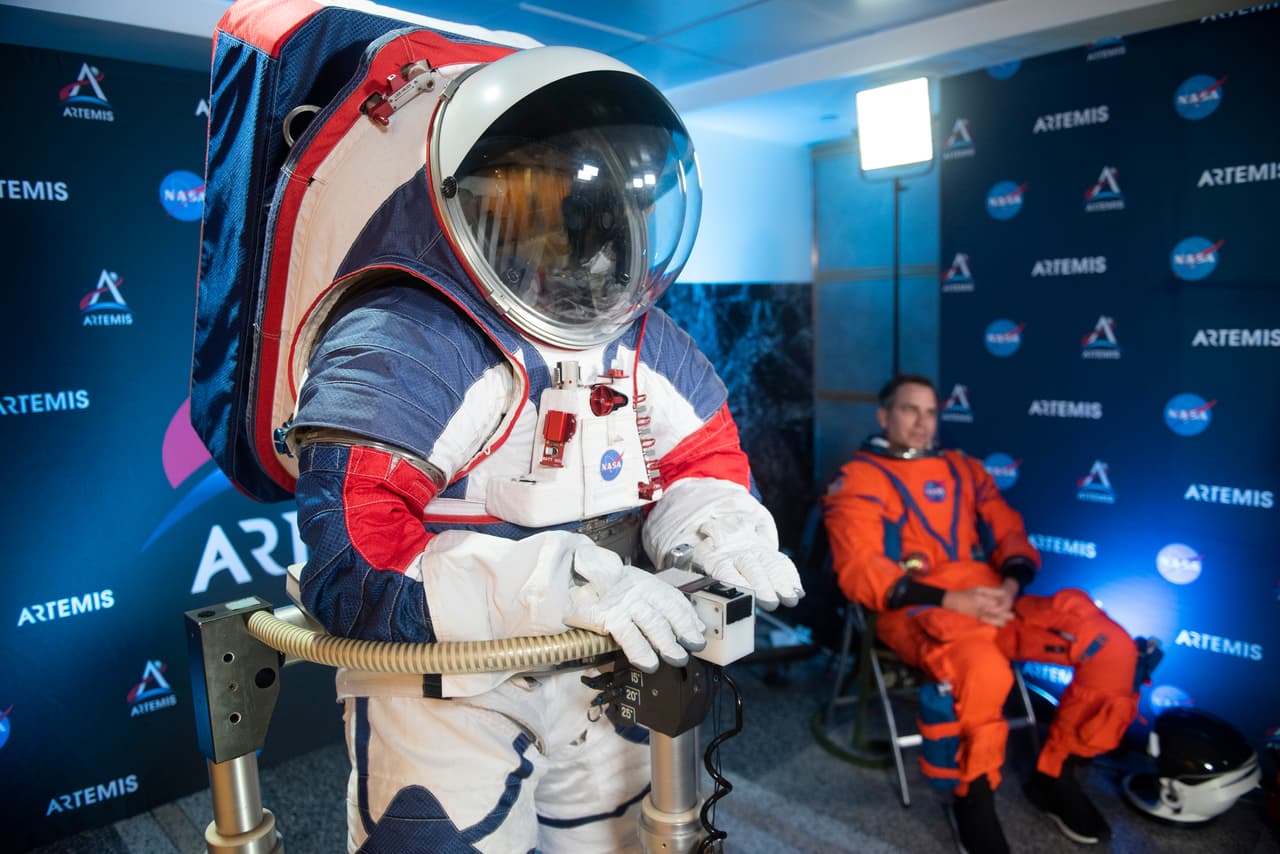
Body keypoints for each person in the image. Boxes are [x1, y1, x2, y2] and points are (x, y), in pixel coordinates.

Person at [284, 43, 804, 853]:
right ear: (473, 196)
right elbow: (352, 558)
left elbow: (701, 463)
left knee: (623, 841)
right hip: (447, 678)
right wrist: (558, 589)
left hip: (604, 659)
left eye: (585, 204)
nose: (576, 238)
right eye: (537, 197)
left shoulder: (644, 342)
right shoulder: (406, 338)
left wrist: (719, 531)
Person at [823, 374, 1139, 853]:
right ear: (884, 416)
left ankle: (1055, 774)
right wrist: (952, 601)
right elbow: (860, 571)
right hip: (915, 612)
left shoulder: (964, 469)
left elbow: (1010, 531)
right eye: (909, 410)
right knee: (984, 671)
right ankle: (973, 797)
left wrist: (1010, 585)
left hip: (994, 602)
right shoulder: (859, 478)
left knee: (1109, 646)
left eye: (930, 412)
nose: (921, 422)